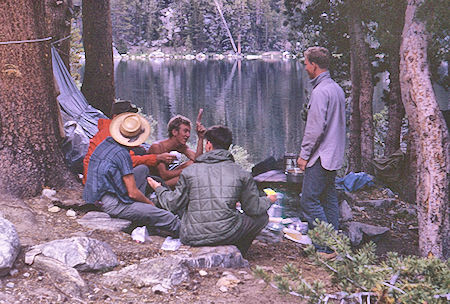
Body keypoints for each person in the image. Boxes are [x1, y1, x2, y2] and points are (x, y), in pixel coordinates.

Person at [147, 125, 277, 256]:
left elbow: (173, 204)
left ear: (208, 145)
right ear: (228, 146)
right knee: (262, 217)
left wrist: (158, 188)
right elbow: (252, 208)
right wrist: (268, 200)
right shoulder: (241, 173)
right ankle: (239, 252)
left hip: (192, 236)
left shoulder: (189, 171)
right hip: (227, 234)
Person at [83, 112, 180, 237]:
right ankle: (185, 231)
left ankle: (140, 209)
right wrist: (149, 204)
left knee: (143, 169)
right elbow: (132, 192)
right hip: (109, 203)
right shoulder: (122, 155)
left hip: (98, 193)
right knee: (162, 215)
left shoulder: (107, 142)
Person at [297, 47, 346, 254]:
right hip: (334, 154)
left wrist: (303, 155)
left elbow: (315, 129)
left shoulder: (320, 92)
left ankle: (324, 247)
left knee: (309, 200)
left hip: (320, 155)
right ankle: (335, 245)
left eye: (306, 63)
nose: (305, 67)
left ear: (314, 65)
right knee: (328, 198)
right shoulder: (336, 88)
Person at [82, 100, 175, 184]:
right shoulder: (110, 135)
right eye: (126, 116)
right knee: (143, 169)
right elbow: (128, 161)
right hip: (100, 182)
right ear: (115, 117)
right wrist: (156, 158)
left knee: (141, 151)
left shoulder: (113, 130)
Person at [147, 110, 206, 188]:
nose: (188, 135)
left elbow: (198, 160)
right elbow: (164, 175)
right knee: (190, 176)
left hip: (165, 180)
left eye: (189, 132)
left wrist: (200, 138)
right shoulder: (157, 147)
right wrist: (188, 170)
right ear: (174, 132)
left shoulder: (181, 146)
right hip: (153, 183)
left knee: (192, 163)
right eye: (185, 131)